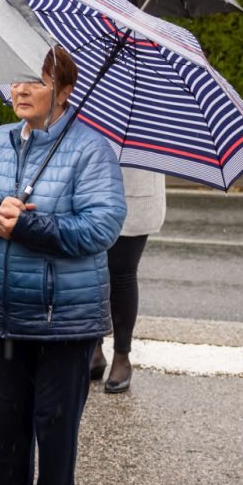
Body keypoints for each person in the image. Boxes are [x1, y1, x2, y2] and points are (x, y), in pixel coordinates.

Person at [0, 47, 125, 485]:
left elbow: (102, 226)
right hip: (4, 304)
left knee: (54, 419)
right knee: (7, 412)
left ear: (64, 89)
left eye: (35, 80)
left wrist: (28, 224)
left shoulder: (90, 149)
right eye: (15, 81)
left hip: (65, 315)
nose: (21, 90)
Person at [93, 168, 164, 394]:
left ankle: (122, 356)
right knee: (91, 270)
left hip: (136, 189)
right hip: (92, 187)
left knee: (122, 272)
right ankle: (93, 348)